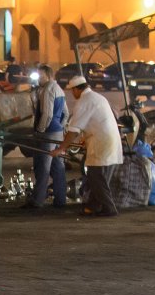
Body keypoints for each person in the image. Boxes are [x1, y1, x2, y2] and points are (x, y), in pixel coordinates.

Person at [51, 75, 122, 217]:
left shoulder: (84, 101)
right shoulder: (98, 97)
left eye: (72, 90)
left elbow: (73, 130)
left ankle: (109, 208)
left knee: (96, 177)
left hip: (101, 143)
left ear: (77, 89)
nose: (72, 93)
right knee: (98, 178)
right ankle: (94, 206)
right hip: (110, 141)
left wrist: (61, 148)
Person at [22, 65, 68, 209]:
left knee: (43, 167)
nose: (39, 79)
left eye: (41, 76)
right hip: (58, 133)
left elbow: (46, 114)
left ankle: (38, 200)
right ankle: (60, 200)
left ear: (48, 76)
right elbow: (65, 113)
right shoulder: (59, 89)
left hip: (47, 134)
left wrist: (41, 131)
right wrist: (60, 127)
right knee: (58, 168)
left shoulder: (47, 90)